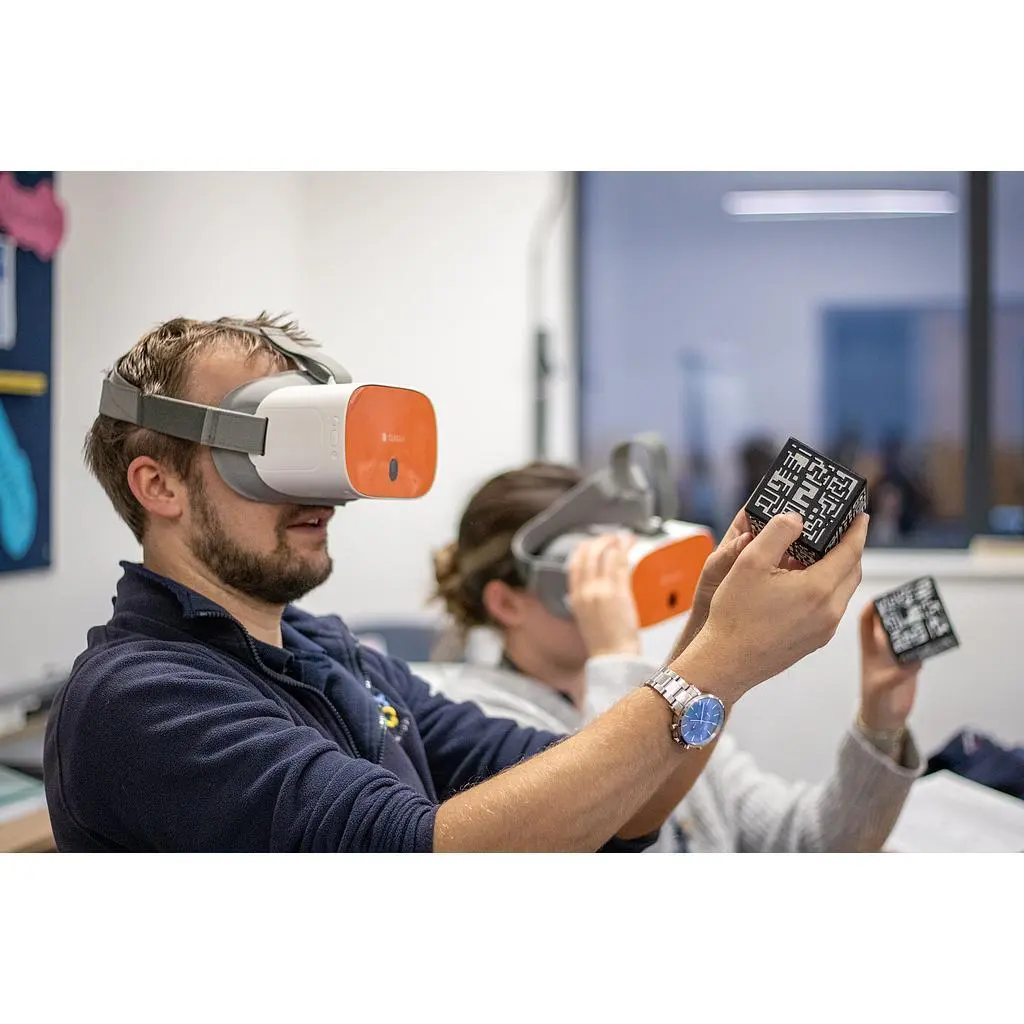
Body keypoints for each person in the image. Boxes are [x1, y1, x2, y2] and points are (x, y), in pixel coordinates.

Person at [43, 314, 868, 853]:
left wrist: (711, 634)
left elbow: (620, 803)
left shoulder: (331, 655)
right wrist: (720, 660)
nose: (329, 494)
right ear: (159, 486)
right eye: (272, 448)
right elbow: (424, 865)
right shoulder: (142, 698)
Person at [427, 462, 924, 852]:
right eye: (587, 567)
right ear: (506, 603)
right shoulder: (475, 724)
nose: (616, 582)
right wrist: (617, 655)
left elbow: (810, 842)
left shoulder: (680, 697)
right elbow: (622, 845)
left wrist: (881, 721)